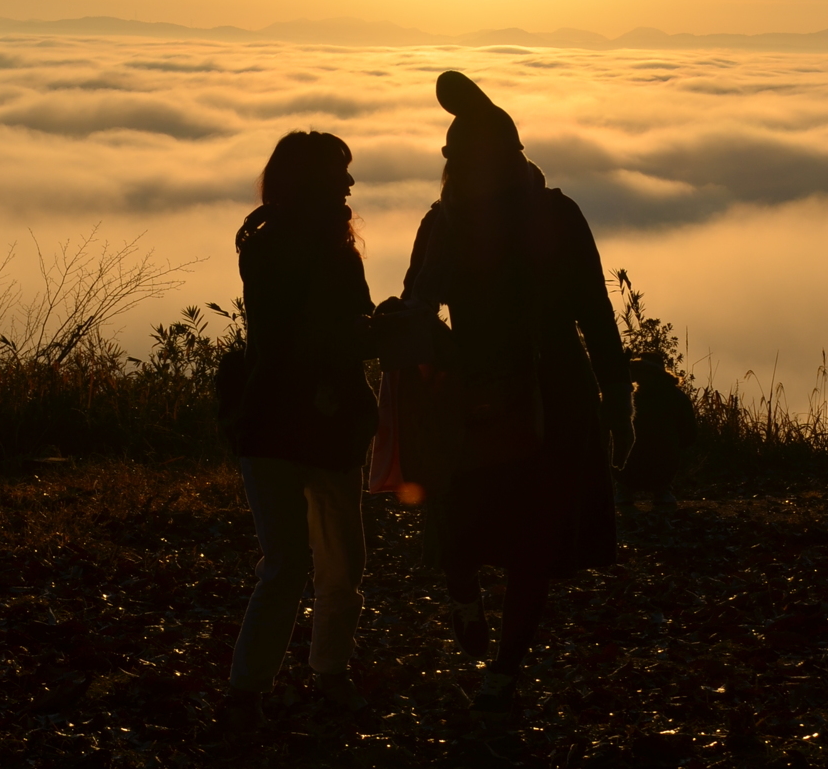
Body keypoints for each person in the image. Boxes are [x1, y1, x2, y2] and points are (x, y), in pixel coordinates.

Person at [392, 71, 634, 713]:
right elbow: (595, 311)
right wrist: (618, 399)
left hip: (475, 387)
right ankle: (502, 667)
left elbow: (417, 305)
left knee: (466, 512)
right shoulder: (556, 214)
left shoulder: (444, 222)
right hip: (555, 389)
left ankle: (469, 606)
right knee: (534, 538)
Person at [224, 131, 378, 731]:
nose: (348, 185)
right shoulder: (297, 251)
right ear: (313, 183)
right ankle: (304, 679)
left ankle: (256, 690)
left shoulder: (270, 246)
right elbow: (316, 336)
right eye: (339, 174)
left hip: (279, 422)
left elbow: (319, 331)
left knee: (298, 563)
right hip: (310, 421)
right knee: (321, 563)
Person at [618, 350, 698, 514]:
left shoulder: (628, 397)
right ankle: (662, 491)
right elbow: (689, 435)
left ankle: (624, 490)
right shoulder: (678, 397)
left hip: (629, 469)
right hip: (664, 467)